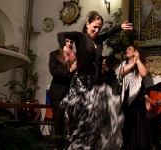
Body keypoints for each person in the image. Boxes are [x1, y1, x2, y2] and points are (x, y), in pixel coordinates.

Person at [57, 11, 133, 149]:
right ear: (87, 24)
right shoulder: (80, 37)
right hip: (80, 84)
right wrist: (65, 47)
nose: (97, 30)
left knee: (94, 123)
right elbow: (61, 35)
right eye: (94, 27)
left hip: (95, 85)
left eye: (99, 28)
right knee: (81, 123)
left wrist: (120, 27)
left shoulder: (98, 40)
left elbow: (109, 33)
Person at [117, 45, 150, 150]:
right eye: (126, 49)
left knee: (137, 124)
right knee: (125, 124)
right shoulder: (123, 64)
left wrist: (138, 60)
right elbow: (121, 72)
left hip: (138, 98)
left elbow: (144, 73)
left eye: (129, 49)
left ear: (136, 51)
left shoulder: (141, 63)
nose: (127, 51)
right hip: (125, 96)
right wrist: (133, 63)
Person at [48, 38, 77, 149]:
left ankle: (72, 146)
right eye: (67, 41)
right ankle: (59, 147)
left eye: (71, 42)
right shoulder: (54, 55)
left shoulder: (74, 55)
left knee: (73, 120)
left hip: (72, 93)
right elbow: (53, 71)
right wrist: (68, 71)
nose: (69, 44)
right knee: (58, 122)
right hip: (57, 93)